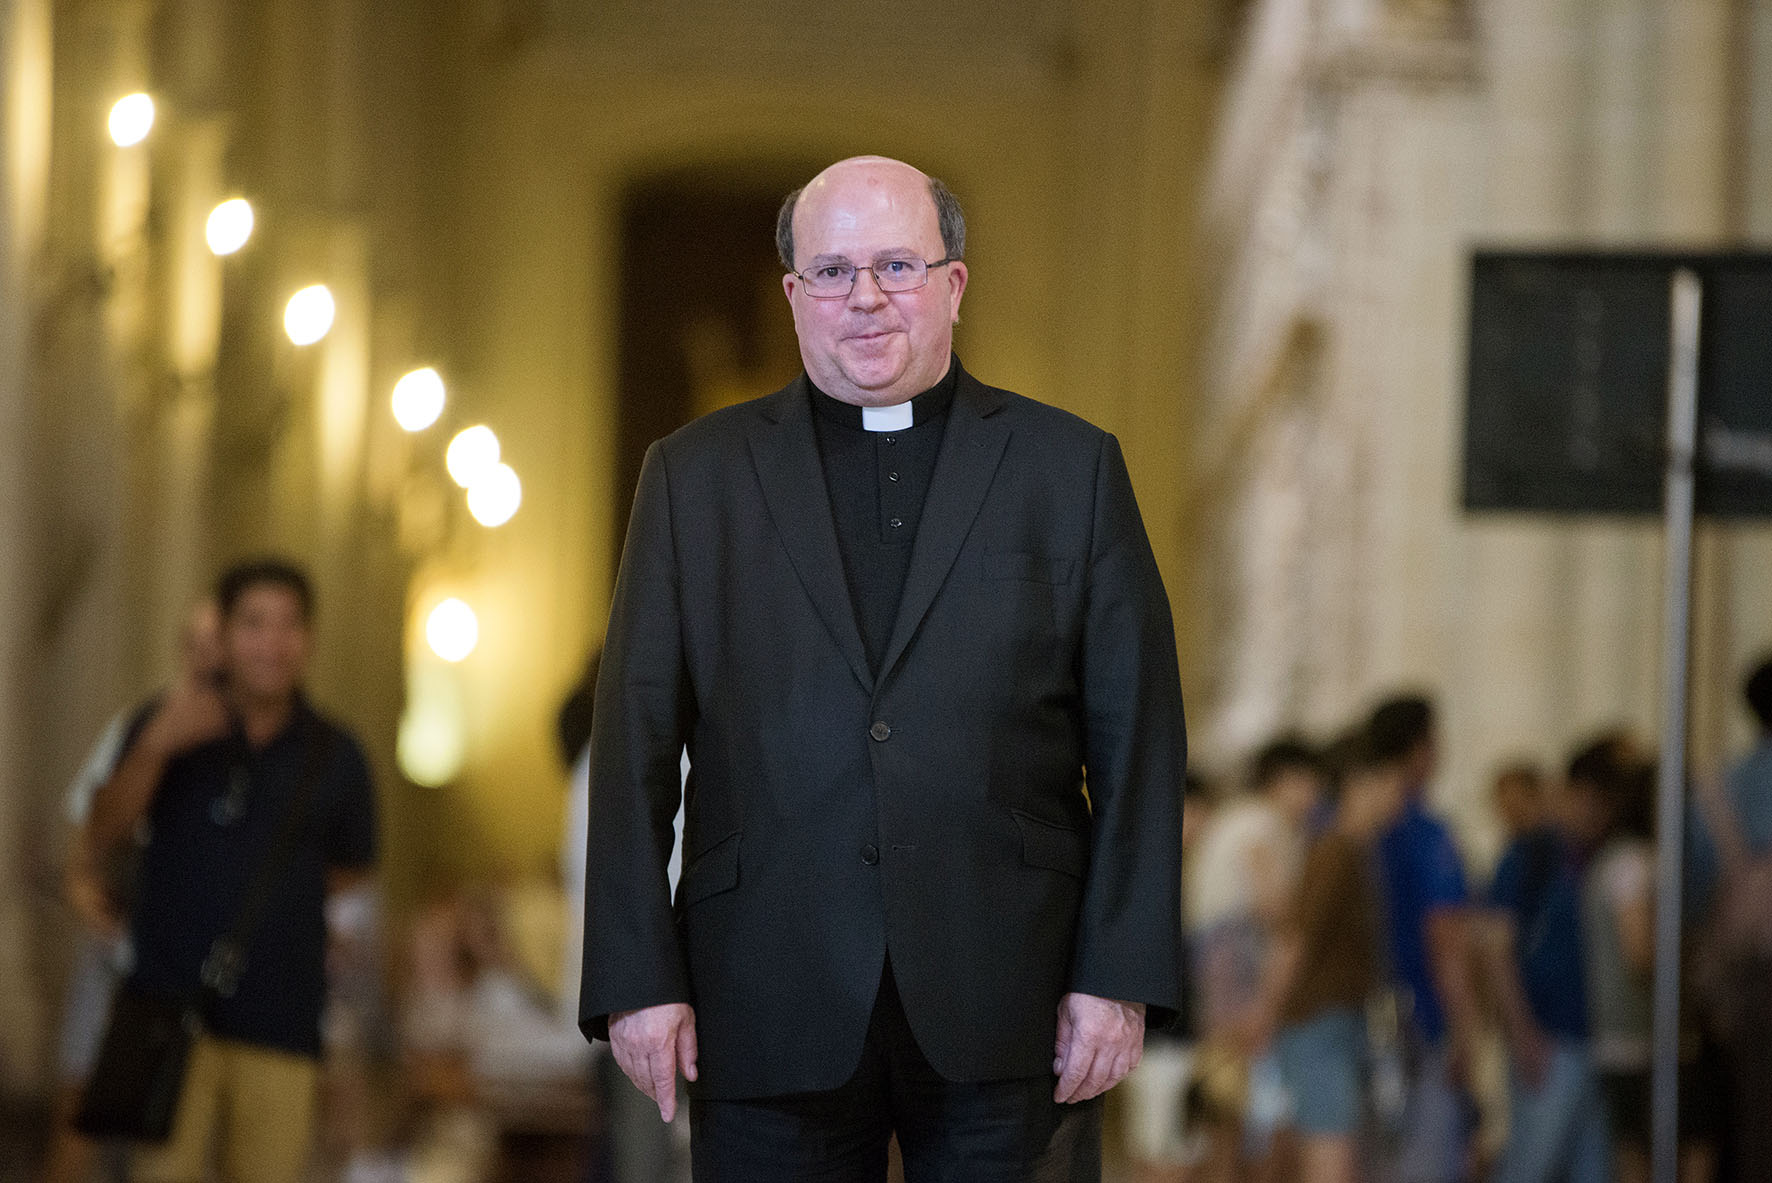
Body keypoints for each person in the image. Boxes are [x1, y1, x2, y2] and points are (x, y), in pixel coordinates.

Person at [579, 155, 1187, 1182]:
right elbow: (633, 737)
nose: (863, 296)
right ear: (792, 295)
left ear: (952, 283)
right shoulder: (693, 478)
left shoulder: (1066, 469)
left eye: (896, 264)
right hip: (765, 982)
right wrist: (638, 978)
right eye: (832, 270)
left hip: (1013, 992)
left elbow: (1139, 740)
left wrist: (1116, 974)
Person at [82, 559, 379, 1183]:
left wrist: (277, 904)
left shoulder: (337, 754)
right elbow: (103, 831)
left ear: (310, 640)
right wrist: (157, 744)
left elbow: (353, 869)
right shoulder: (168, 724)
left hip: (282, 1022)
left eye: (289, 626)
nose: (272, 644)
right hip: (170, 1018)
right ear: (223, 634)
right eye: (253, 624)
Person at [43, 601, 222, 1183]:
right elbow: (87, 833)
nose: (205, 656)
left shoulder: (248, 746)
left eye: (215, 641)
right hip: (120, 950)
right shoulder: (139, 725)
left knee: (189, 1127)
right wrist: (85, 895)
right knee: (84, 1104)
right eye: (194, 641)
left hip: (201, 963)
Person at [1247, 739, 1405, 1183]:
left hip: (1338, 1021)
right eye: (1389, 780)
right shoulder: (1335, 850)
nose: (1398, 793)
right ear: (1359, 783)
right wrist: (1266, 1010)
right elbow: (1297, 938)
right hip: (1319, 1023)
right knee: (1329, 1156)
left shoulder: (1351, 849)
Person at [1184, 735, 1324, 1179]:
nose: (1312, 795)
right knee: (1238, 1095)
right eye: (1306, 782)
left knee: (1232, 1095)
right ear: (1280, 780)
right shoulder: (1260, 820)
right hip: (1233, 955)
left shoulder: (1238, 817)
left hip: (1218, 954)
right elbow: (1273, 904)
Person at [1368, 694, 1480, 1183]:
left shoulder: (1346, 825)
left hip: (1359, 1016)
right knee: (1427, 1160)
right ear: (1418, 748)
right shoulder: (1427, 833)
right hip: (1420, 1023)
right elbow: (1445, 935)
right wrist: (1465, 1027)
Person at [1480, 758, 1609, 1183]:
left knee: (1590, 1166)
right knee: (1531, 1162)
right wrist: (1522, 1033)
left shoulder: (1584, 854)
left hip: (1595, 1037)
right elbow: (1496, 951)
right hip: (1549, 1037)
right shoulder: (1527, 856)